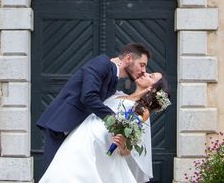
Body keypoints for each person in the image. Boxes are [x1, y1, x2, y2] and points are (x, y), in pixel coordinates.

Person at [36, 43, 151, 173]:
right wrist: (116, 121)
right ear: (128, 58)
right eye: (142, 65)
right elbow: (88, 96)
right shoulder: (102, 63)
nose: (144, 71)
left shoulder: (113, 79)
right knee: (53, 174)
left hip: (77, 133)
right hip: (62, 126)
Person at [39, 71, 172, 183]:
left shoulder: (142, 111)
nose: (145, 73)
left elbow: (127, 151)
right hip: (80, 139)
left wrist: (122, 144)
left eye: (151, 76)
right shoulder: (116, 93)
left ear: (153, 89)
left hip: (99, 149)